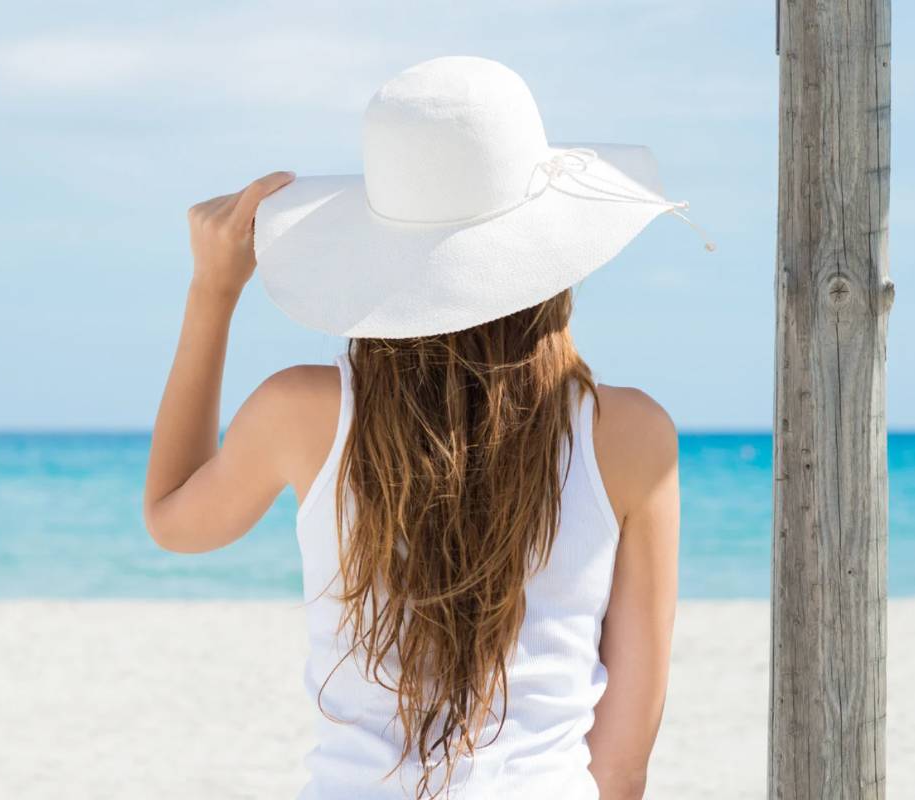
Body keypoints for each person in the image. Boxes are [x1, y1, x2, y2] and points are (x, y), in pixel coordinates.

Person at [145, 57, 703, 800]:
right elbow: (623, 765)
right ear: (552, 253)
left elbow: (173, 517)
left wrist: (213, 290)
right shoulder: (631, 433)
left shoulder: (300, 411)